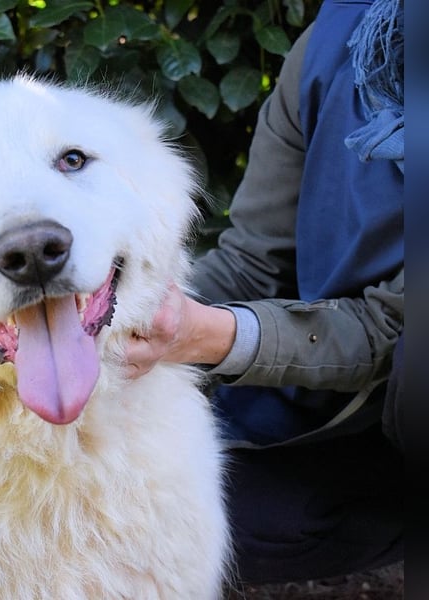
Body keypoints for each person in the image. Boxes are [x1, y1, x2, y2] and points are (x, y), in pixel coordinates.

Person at [125, 0, 404, 584]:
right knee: (189, 509)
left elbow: (390, 335)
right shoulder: (336, 40)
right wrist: (138, 311)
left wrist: (201, 335)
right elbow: (254, 259)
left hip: (400, 399)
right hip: (316, 389)